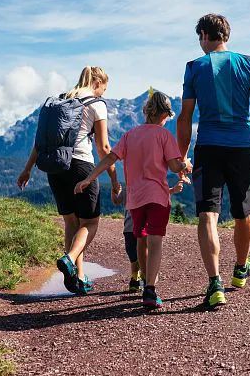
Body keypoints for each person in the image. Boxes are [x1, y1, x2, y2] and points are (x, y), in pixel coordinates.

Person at [176, 13, 250, 309]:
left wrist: (182, 156)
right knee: (242, 212)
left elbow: (185, 117)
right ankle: (241, 268)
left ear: (206, 35)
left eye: (199, 37)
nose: (200, 43)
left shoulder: (194, 68)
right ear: (226, 36)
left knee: (208, 214)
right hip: (241, 147)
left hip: (208, 146)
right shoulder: (247, 62)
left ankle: (214, 282)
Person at [75, 91, 192, 309]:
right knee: (155, 241)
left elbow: (110, 157)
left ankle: (145, 281)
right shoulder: (164, 136)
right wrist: (186, 164)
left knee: (141, 238)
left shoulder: (130, 135)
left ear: (147, 111)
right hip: (157, 196)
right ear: (165, 114)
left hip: (135, 198)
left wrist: (89, 178)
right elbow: (175, 166)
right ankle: (150, 289)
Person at [17, 66, 120, 294]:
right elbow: (103, 147)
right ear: (98, 82)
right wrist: (113, 177)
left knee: (71, 223)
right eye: (104, 88)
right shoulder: (96, 104)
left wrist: (27, 170)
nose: (103, 93)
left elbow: (40, 142)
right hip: (81, 165)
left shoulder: (61, 101)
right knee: (90, 223)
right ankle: (70, 259)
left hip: (55, 167)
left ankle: (79, 279)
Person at [112, 179, 185, 293]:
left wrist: (172, 190)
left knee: (136, 253)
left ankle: (137, 279)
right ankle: (142, 279)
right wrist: (115, 190)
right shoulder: (133, 185)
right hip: (135, 227)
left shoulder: (134, 184)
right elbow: (117, 200)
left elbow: (117, 200)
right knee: (136, 254)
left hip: (133, 227)